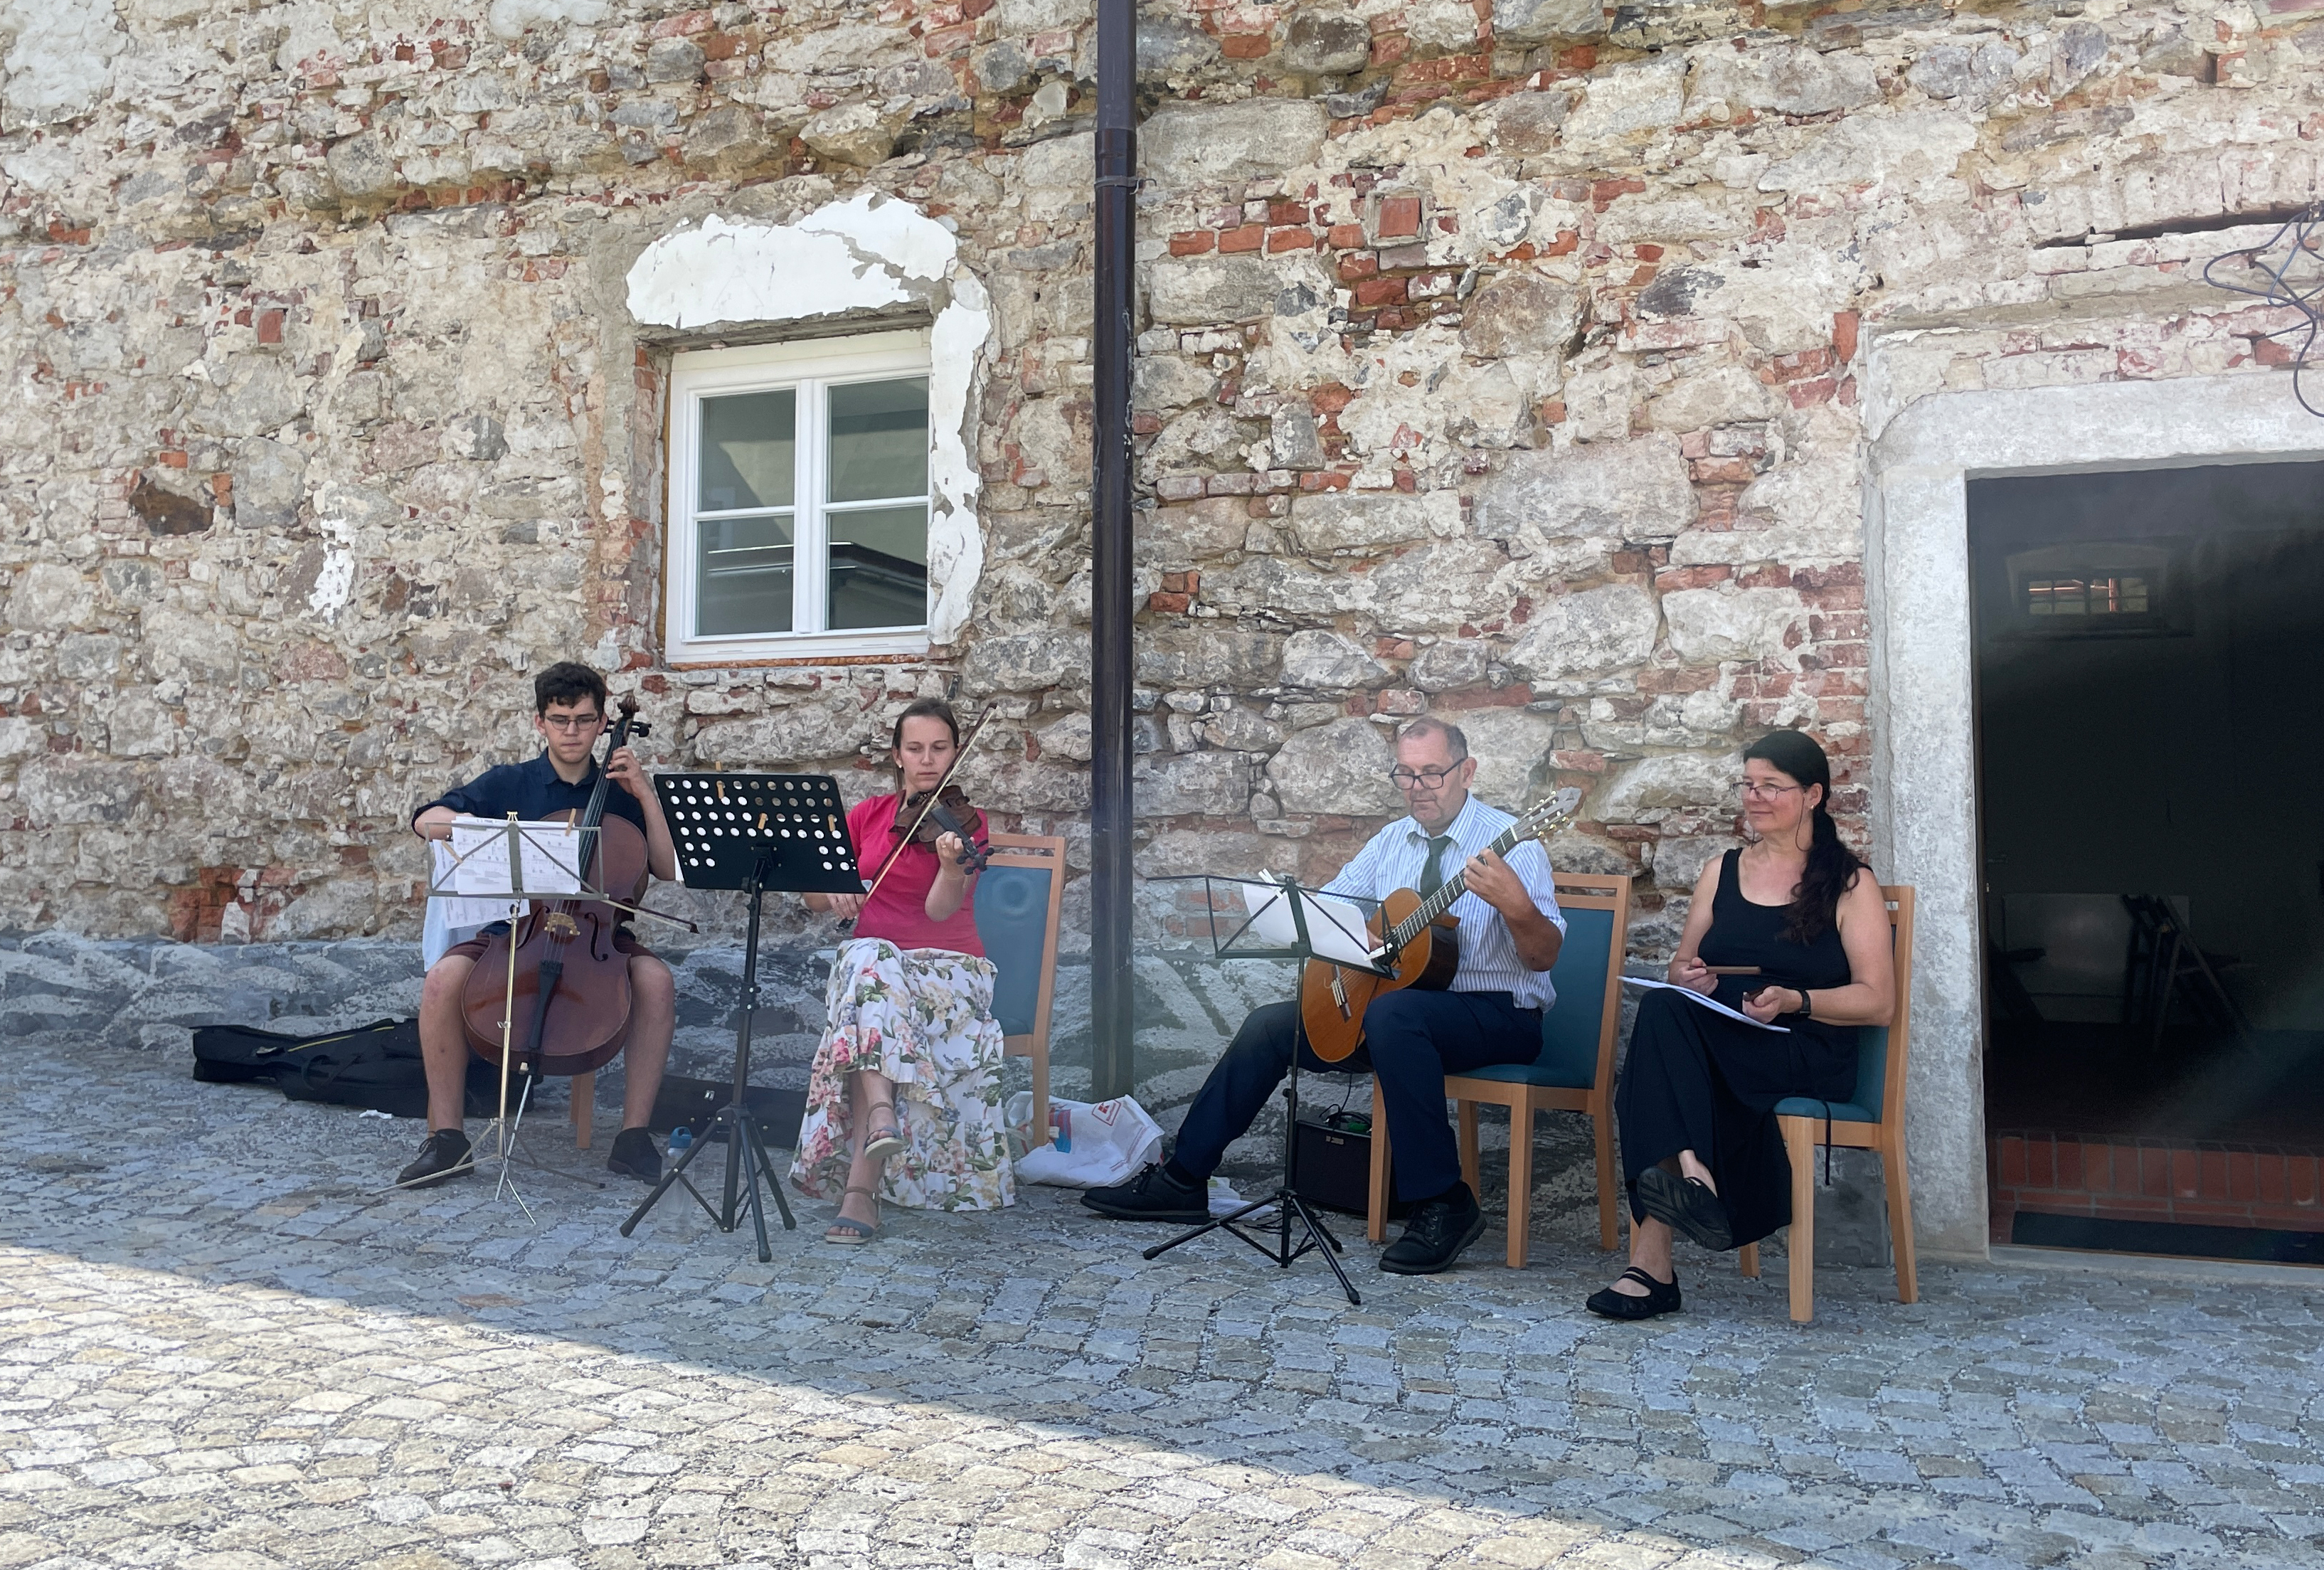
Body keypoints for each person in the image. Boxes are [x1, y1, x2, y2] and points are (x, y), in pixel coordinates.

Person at [1083, 716, 1566, 1275]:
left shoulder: (1513, 844)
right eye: (1405, 775)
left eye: (1431, 774)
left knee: (1393, 1013)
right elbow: (1325, 906)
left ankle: (1443, 1202)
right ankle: (1181, 1179)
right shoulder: (1390, 840)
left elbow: (1543, 955)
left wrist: (1516, 905)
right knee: (1270, 1025)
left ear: (1467, 771)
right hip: (1399, 1015)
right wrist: (1353, 933)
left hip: (1498, 1013)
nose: (1418, 788)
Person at [1587, 729, 1895, 1320]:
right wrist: (1688, 976)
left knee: (1662, 1045)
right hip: (1723, 1037)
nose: (1753, 797)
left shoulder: (1849, 883)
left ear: (1812, 795)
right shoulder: (1720, 870)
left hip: (1801, 1047)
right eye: (1747, 784)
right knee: (1664, 1006)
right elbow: (1683, 962)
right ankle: (1688, 1176)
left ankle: (1658, 1250)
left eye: (1769, 786)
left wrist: (1793, 999)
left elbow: (1876, 1001)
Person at [398, 662, 679, 1189]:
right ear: (539, 722)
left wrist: (644, 792)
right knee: (440, 981)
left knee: (657, 982)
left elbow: (665, 867)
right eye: (559, 719)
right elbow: (425, 819)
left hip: (601, 935)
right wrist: (461, 826)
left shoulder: (622, 791)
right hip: (517, 930)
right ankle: (447, 1138)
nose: (571, 731)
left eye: (583, 719)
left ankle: (634, 1137)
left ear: (602, 724)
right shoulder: (512, 782)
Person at [792, 697, 1016, 1242]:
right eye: (915, 748)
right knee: (871, 960)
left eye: (939, 748)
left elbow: (941, 911)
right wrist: (838, 891)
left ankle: (862, 1177)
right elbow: (810, 897)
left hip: (949, 970)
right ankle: (880, 1128)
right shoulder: (867, 816)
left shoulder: (967, 823)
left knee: (868, 970)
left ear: (955, 753)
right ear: (896, 755)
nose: (927, 760)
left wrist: (947, 864)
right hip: (876, 970)